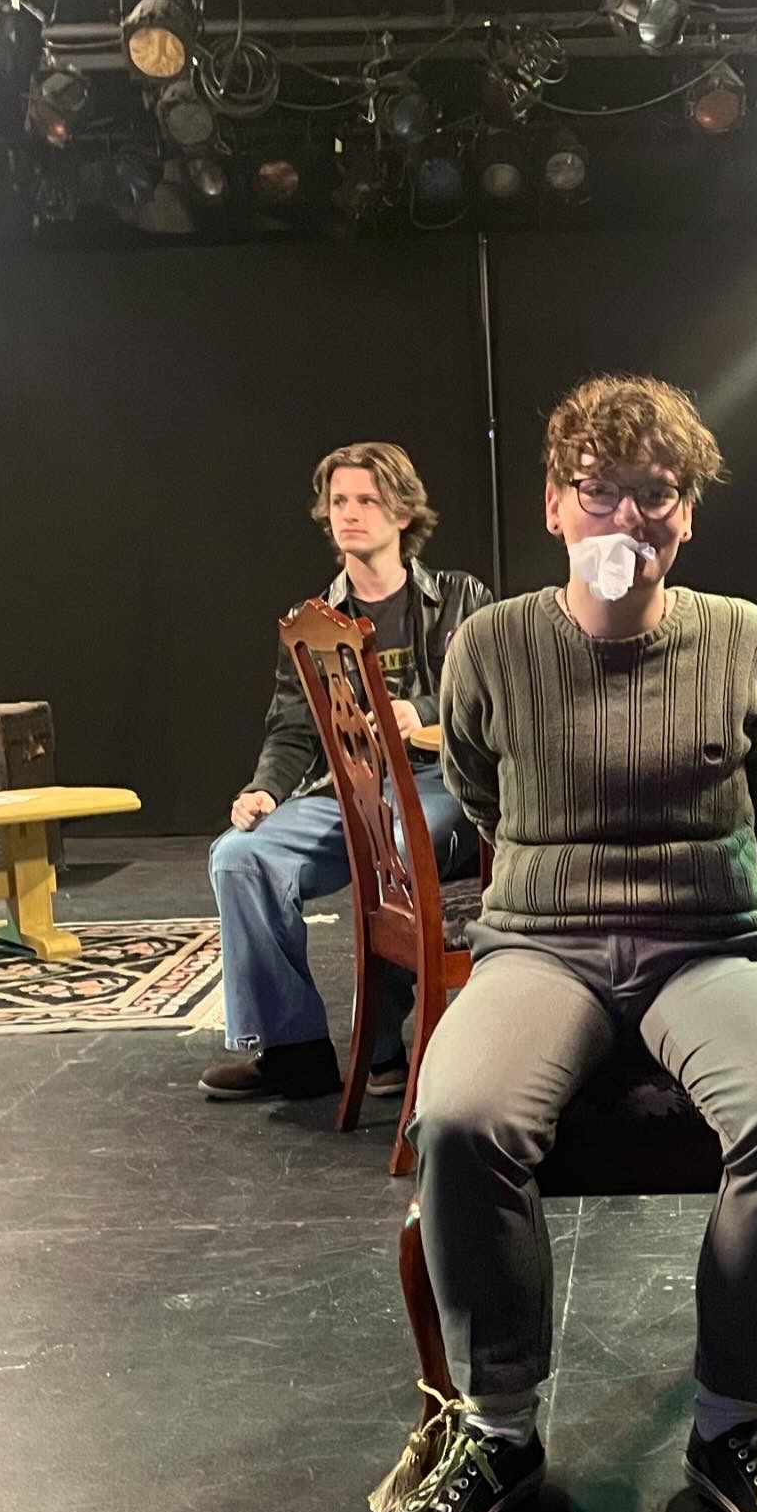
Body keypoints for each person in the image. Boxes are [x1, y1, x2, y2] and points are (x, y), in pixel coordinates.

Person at [368, 375, 757, 1512]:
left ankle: (736, 1424)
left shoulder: (745, 638)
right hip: (542, 943)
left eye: (657, 497)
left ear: (687, 517)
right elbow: (481, 795)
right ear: (555, 506)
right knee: (460, 1112)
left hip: (710, 941)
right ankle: (497, 1430)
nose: (627, 522)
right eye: (602, 494)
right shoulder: (491, 645)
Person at [199, 442, 489, 1104]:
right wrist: (264, 789)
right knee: (239, 858)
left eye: (367, 500)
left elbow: (483, 690)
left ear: (402, 511)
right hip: (349, 790)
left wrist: (418, 710)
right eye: (339, 502)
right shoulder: (312, 623)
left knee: (390, 840)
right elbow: (293, 725)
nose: (350, 514)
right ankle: (293, 1049)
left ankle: (382, 1048)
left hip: (439, 783)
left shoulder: (458, 597)